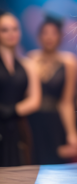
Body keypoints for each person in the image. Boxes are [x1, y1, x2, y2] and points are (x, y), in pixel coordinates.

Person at [27, 16, 77, 165]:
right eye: (45, 33)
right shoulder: (31, 59)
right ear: (39, 36)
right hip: (33, 119)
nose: (49, 37)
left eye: (54, 33)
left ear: (60, 37)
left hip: (56, 121)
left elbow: (66, 102)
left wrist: (71, 133)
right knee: (33, 163)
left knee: (56, 164)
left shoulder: (69, 61)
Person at [0, 11, 41, 166]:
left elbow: (35, 100)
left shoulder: (27, 64)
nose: (11, 33)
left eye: (15, 28)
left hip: (18, 125)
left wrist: (11, 111)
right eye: (4, 29)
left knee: (18, 169)